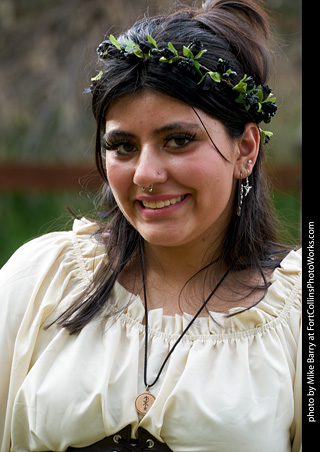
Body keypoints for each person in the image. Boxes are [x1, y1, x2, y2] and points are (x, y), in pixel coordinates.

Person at [0, 0, 301, 451]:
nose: (145, 173)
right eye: (122, 146)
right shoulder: (42, 278)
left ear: (245, 150)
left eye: (178, 140)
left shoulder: (298, 314)